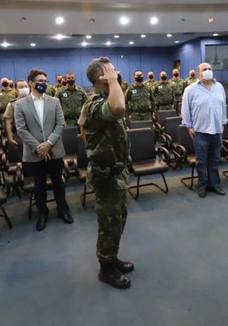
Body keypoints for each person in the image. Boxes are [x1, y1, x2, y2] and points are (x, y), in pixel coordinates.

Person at [81, 56, 133, 289]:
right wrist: (114, 82)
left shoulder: (108, 95)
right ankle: (105, 269)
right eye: (111, 71)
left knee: (119, 219)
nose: (116, 72)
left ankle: (112, 258)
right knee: (109, 222)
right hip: (106, 175)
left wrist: (114, 83)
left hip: (117, 172)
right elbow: (118, 108)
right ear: (102, 78)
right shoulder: (93, 102)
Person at [14, 69, 73, 231]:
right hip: (34, 153)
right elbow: (21, 129)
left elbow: (61, 124)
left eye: (45, 80)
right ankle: (42, 214)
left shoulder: (54, 101)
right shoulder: (19, 105)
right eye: (40, 80)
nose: (44, 83)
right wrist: (39, 147)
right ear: (31, 83)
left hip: (54, 149)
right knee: (39, 185)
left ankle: (63, 210)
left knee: (58, 183)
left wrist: (48, 143)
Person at [181, 62, 228, 198]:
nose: (207, 71)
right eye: (204, 69)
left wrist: (223, 122)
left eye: (209, 69)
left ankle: (214, 184)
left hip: (217, 130)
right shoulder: (190, 89)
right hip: (200, 131)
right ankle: (202, 185)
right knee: (201, 161)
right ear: (198, 73)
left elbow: (223, 105)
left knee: (215, 159)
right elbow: (185, 109)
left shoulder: (219, 87)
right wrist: (189, 126)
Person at [3, 79, 29, 144]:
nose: (24, 89)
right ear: (15, 89)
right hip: (20, 136)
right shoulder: (13, 104)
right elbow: (9, 123)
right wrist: (10, 138)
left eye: (26, 86)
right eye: (21, 87)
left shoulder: (35, 102)